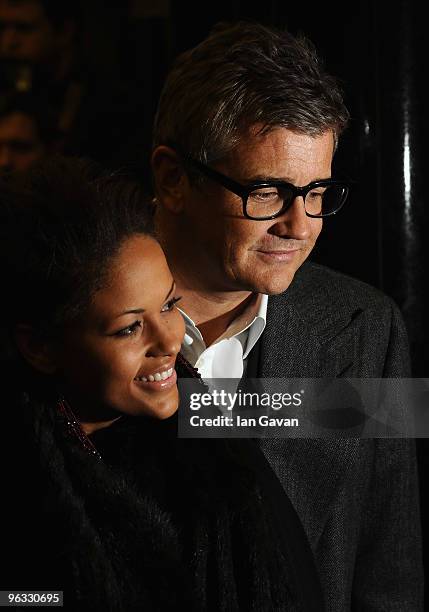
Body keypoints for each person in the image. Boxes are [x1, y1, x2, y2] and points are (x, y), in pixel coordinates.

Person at [151, 21, 424, 610]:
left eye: (318, 191)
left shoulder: (367, 327)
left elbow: (390, 574)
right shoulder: (66, 323)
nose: (300, 227)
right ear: (173, 178)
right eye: (267, 192)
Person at [0, 156, 325, 611]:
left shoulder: (210, 443)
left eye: (171, 304)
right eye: (129, 328)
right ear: (40, 347)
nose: (171, 339)